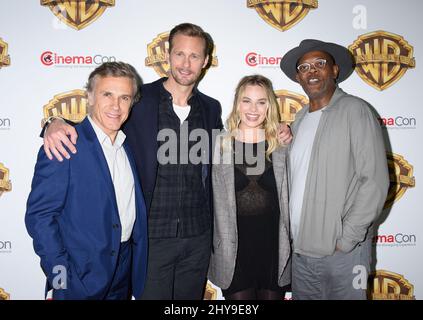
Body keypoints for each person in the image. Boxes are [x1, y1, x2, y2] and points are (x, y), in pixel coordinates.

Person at [41, 23, 292, 300]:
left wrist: (280, 128)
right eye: (180, 54)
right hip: (152, 238)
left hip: (198, 238)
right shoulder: (140, 100)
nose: (186, 63)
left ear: (205, 61)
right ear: (168, 55)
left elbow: (241, 141)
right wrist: (54, 123)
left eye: (195, 56)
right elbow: (103, 120)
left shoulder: (210, 108)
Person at [25, 62, 148, 300]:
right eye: (107, 94)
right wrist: (61, 280)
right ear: (89, 97)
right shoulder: (65, 144)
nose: (116, 105)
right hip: (77, 279)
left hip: (122, 274)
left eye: (124, 97)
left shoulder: (126, 147)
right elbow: (39, 218)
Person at [279, 39, 389, 300]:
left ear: (335, 70)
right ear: (298, 77)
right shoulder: (300, 119)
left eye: (320, 64)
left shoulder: (355, 110)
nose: (312, 71)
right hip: (301, 252)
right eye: (304, 67)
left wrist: (347, 238)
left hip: (343, 254)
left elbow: (373, 180)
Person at [208, 75, 291, 300]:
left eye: (261, 102)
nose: (253, 109)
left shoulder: (283, 146)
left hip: (273, 250)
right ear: (237, 104)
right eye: (247, 101)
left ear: (269, 106)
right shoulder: (219, 145)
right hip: (233, 252)